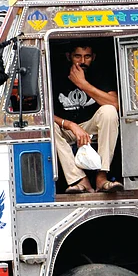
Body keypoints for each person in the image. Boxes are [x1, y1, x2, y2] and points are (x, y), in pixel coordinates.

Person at [53, 43, 121, 194]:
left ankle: (101, 177)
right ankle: (79, 180)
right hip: (67, 129)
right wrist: (71, 125)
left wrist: (83, 84)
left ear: (93, 57)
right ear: (69, 56)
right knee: (49, 126)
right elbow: (44, 112)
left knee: (109, 111)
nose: (82, 61)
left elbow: (115, 104)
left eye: (87, 56)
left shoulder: (99, 73)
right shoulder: (55, 74)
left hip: (91, 127)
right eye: (78, 56)